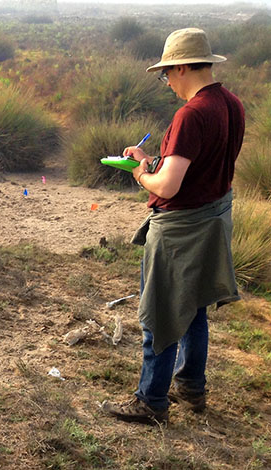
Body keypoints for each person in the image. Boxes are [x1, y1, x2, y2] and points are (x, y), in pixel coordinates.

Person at [101, 28, 244, 425]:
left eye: (167, 75)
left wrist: (142, 175)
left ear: (181, 67)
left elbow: (169, 185)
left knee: (161, 312)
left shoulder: (191, 114)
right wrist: (153, 159)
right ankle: (191, 387)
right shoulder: (231, 104)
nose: (167, 83)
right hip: (213, 220)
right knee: (194, 306)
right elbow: (202, 167)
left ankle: (151, 400)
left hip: (180, 229)